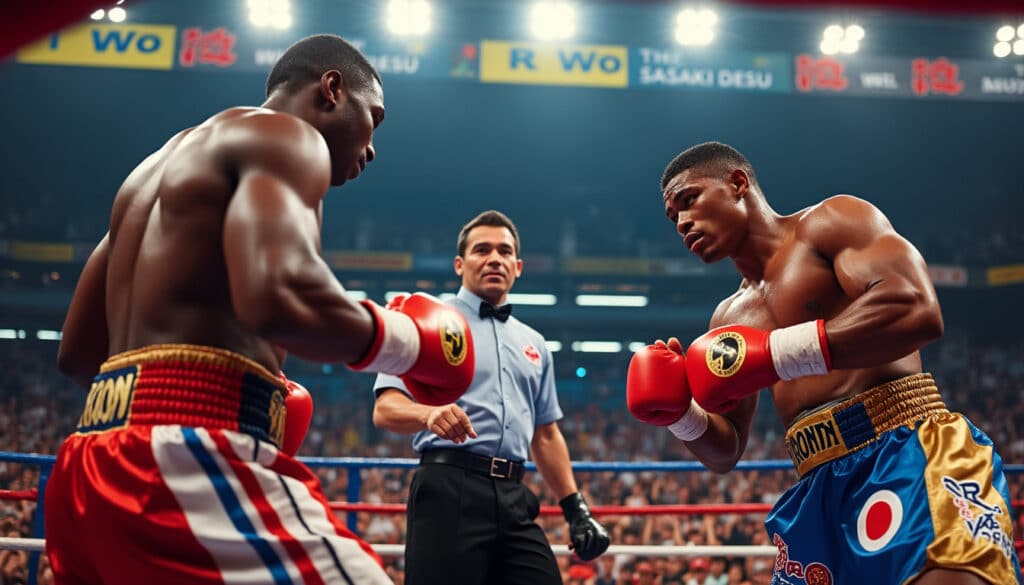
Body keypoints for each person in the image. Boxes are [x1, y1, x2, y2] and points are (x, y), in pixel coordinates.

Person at [46, 34, 476, 585]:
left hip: (87, 462)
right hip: (183, 461)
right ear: (332, 88)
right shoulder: (286, 136)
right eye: (375, 119)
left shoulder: (150, 174)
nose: (372, 148)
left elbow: (78, 355)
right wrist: (409, 343)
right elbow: (280, 297)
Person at [626, 142, 1021, 584]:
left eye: (689, 200)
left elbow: (916, 308)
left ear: (738, 183)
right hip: (816, 486)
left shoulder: (831, 223)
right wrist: (682, 415)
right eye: (672, 216)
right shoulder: (728, 318)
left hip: (903, 451)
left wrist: (777, 355)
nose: (681, 222)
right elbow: (727, 450)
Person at [371, 210, 610, 585]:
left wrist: (575, 508)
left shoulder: (533, 342)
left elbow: (545, 435)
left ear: (517, 266)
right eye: (482, 249)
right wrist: (428, 414)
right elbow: (385, 409)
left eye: (504, 251)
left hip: (515, 494)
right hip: (448, 486)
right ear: (459, 263)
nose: (494, 258)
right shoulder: (425, 320)